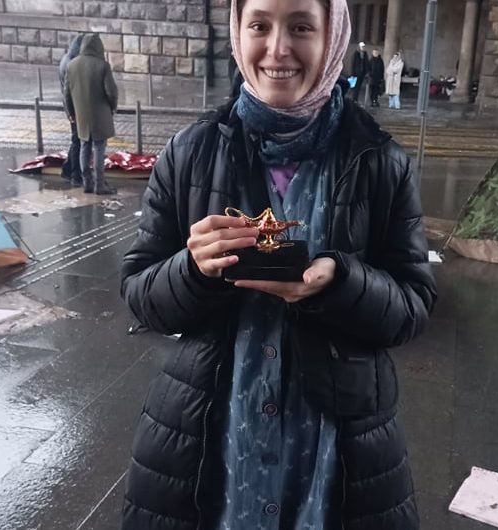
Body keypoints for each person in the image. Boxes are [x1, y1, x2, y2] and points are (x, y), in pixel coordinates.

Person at [120, 0, 437, 528]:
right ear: (237, 32)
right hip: (206, 446)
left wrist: (341, 283)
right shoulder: (189, 152)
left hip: (338, 457)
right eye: (260, 25)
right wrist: (193, 270)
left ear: (332, 37)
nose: (278, 48)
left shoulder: (381, 162)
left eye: (301, 27)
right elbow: (140, 295)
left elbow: (413, 306)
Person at [64, 33, 118, 195]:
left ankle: (87, 182)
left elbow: (67, 93)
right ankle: (99, 184)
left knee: (84, 146)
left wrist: (71, 112)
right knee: (99, 148)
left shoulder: (72, 65)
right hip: (100, 113)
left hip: (81, 114)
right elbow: (111, 91)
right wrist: (112, 107)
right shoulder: (102, 66)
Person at [59, 34, 83, 186]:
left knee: (77, 139)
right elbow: (70, 90)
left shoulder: (66, 59)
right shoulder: (71, 64)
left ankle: (68, 168)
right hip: (75, 108)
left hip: (72, 107)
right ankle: (74, 173)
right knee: (77, 140)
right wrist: (72, 112)